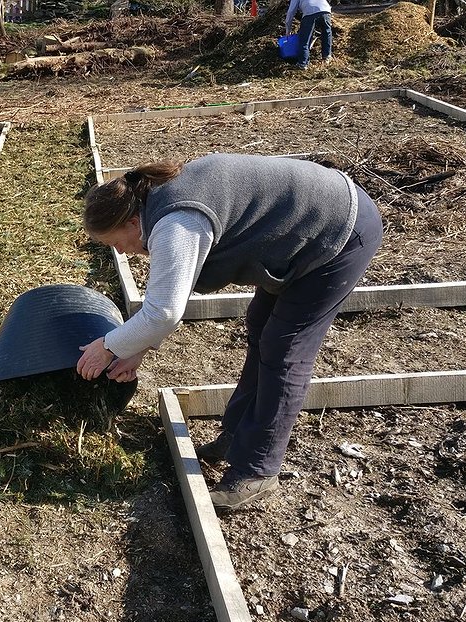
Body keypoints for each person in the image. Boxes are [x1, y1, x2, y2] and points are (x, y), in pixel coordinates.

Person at [76, 154, 384, 511]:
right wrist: (138, 347)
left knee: (284, 348)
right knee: (260, 327)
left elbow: (164, 311)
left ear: (131, 221)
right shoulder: (155, 203)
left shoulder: (175, 221)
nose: (121, 252)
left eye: (116, 242)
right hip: (301, 226)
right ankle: (237, 435)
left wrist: (109, 347)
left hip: (336, 231)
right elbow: (174, 292)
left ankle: (257, 470)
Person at [285, 0, 333, 70]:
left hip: (310, 12)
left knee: (305, 39)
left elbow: (291, 12)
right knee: (326, 33)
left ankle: (303, 64)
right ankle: (327, 56)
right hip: (325, 10)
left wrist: (288, 30)